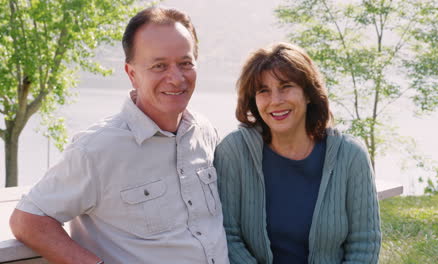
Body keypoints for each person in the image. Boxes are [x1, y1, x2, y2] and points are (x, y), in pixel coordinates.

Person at [10, 6, 229, 264]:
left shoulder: (204, 131)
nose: (176, 78)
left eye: (185, 63)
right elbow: (28, 220)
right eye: (159, 66)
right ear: (132, 74)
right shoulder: (96, 149)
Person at [214, 42, 381, 264]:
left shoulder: (350, 156)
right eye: (263, 90)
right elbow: (227, 236)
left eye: (286, 86)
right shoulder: (234, 152)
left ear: (309, 94)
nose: (275, 100)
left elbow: (364, 243)